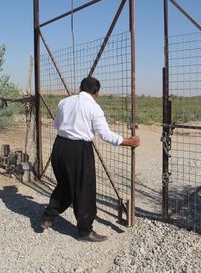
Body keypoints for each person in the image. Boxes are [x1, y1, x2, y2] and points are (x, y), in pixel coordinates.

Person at [40, 76, 140, 242]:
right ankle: (85, 231)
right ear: (96, 93)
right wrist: (127, 141)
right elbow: (105, 134)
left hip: (59, 147)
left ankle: (47, 217)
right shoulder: (94, 108)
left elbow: (56, 125)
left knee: (65, 184)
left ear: (80, 88)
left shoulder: (64, 102)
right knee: (84, 190)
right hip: (78, 150)